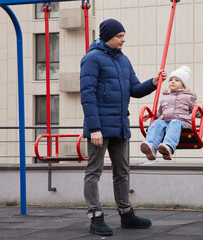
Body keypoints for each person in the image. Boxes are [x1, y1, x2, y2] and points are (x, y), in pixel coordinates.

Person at [80, 18, 167, 236]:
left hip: (120, 125)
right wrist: (94, 129)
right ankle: (95, 216)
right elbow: (88, 95)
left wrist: (153, 83)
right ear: (108, 36)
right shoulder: (92, 59)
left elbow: (135, 89)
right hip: (99, 126)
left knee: (122, 172)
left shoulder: (123, 60)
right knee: (94, 172)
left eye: (123, 35)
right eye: (119, 36)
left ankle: (126, 213)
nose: (123, 39)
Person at [140, 66, 203, 160]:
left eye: (177, 80)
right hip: (165, 120)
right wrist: (150, 115)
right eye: (171, 80)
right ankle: (151, 147)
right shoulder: (165, 97)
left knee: (174, 123)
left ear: (183, 85)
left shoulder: (187, 97)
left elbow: (197, 111)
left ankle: (168, 146)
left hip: (181, 122)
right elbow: (160, 112)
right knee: (157, 123)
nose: (173, 82)